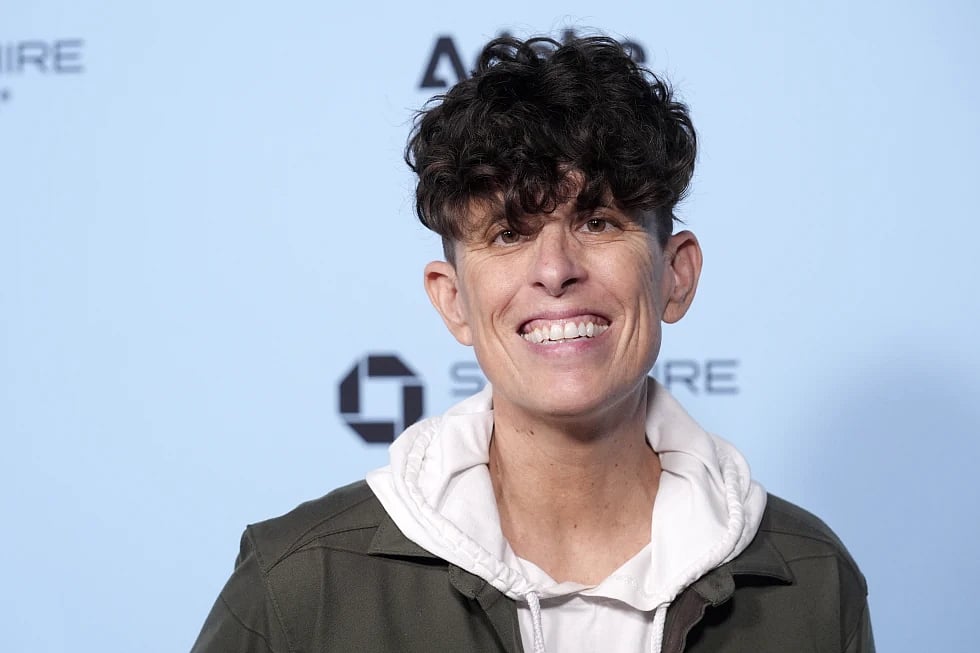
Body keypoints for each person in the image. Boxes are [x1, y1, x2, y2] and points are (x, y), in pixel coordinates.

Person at [191, 35, 874, 653]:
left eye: (599, 221)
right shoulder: (298, 587)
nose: (555, 269)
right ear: (453, 300)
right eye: (510, 233)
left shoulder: (811, 581)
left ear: (676, 275)